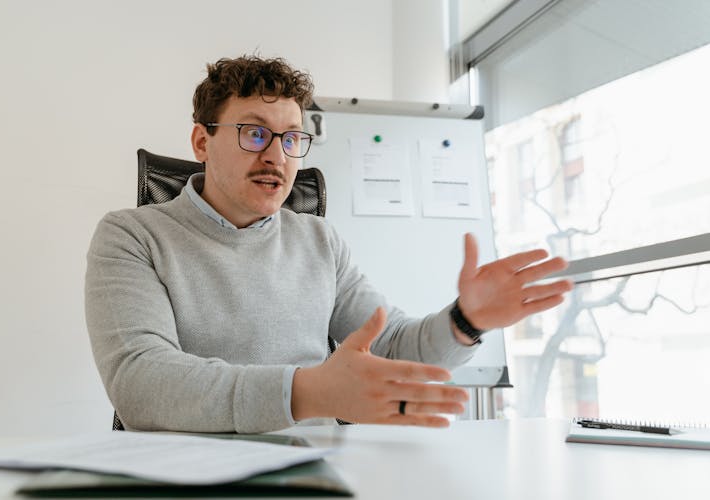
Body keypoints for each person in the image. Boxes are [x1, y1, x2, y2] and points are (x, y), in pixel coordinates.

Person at [85, 55, 573, 434]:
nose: (277, 155)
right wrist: (305, 392)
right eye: (254, 133)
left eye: (292, 138)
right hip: (184, 478)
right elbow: (140, 383)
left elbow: (394, 348)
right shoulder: (132, 236)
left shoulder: (318, 239)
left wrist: (467, 321)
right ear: (201, 141)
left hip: (311, 471)